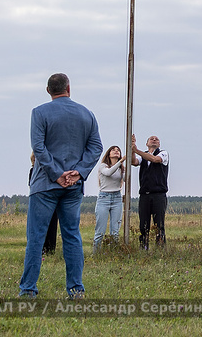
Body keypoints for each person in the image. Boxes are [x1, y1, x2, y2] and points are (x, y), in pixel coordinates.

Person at [19, 73, 103, 298]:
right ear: (69, 88)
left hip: (44, 185)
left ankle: (28, 290)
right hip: (73, 186)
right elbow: (96, 147)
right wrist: (79, 173)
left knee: (36, 237)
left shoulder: (39, 112)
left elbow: (38, 146)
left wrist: (56, 174)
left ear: (48, 91)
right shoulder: (87, 114)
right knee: (72, 235)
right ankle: (76, 290)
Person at [131, 134, 169, 249]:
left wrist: (136, 150)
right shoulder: (142, 156)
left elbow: (154, 159)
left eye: (156, 139)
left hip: (159, 195)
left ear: (159, 144)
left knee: (159, 224)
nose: (154, 139)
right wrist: (132, 148)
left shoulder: (163, 153)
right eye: (151, 139)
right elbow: (134, 162)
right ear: (147, 143)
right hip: (144, 195)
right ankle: (144, 248)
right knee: (143, 224)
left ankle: (160, 249)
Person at [93, 145, 124, 251]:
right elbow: (108, 172)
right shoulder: (103, 166)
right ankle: (96, 254)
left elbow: (126, 178)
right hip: (104, 198)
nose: (116, 151)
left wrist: (125, 164)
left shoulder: (121, 169)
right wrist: (121, 161)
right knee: (100, 229)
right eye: (113, 150)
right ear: (108, 154)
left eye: (118, 150)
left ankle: (114, 252)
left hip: (117, 198)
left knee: (115, 230)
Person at [28, 153, 59, 255]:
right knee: (39, 226)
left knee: (52, 226)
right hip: (40, 201)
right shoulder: (33, 171)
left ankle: (50, 249)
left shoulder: (53, 170)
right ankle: (39, 249)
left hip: (52, 200)